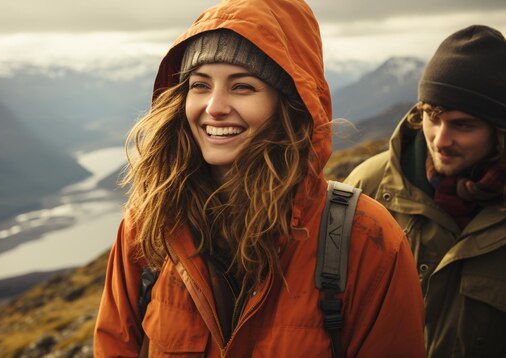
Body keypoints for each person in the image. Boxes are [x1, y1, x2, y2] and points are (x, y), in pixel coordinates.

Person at [94, 0, 425, 356]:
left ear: (290, 105)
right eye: (200, 85)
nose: (214, 107)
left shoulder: (367, 239)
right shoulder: (149, 227)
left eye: (242, 87)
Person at [344, 25, 506, 358]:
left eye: (463, 125)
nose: (440, 140)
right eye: (432, 117)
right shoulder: (366, 189)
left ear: (499, 132)